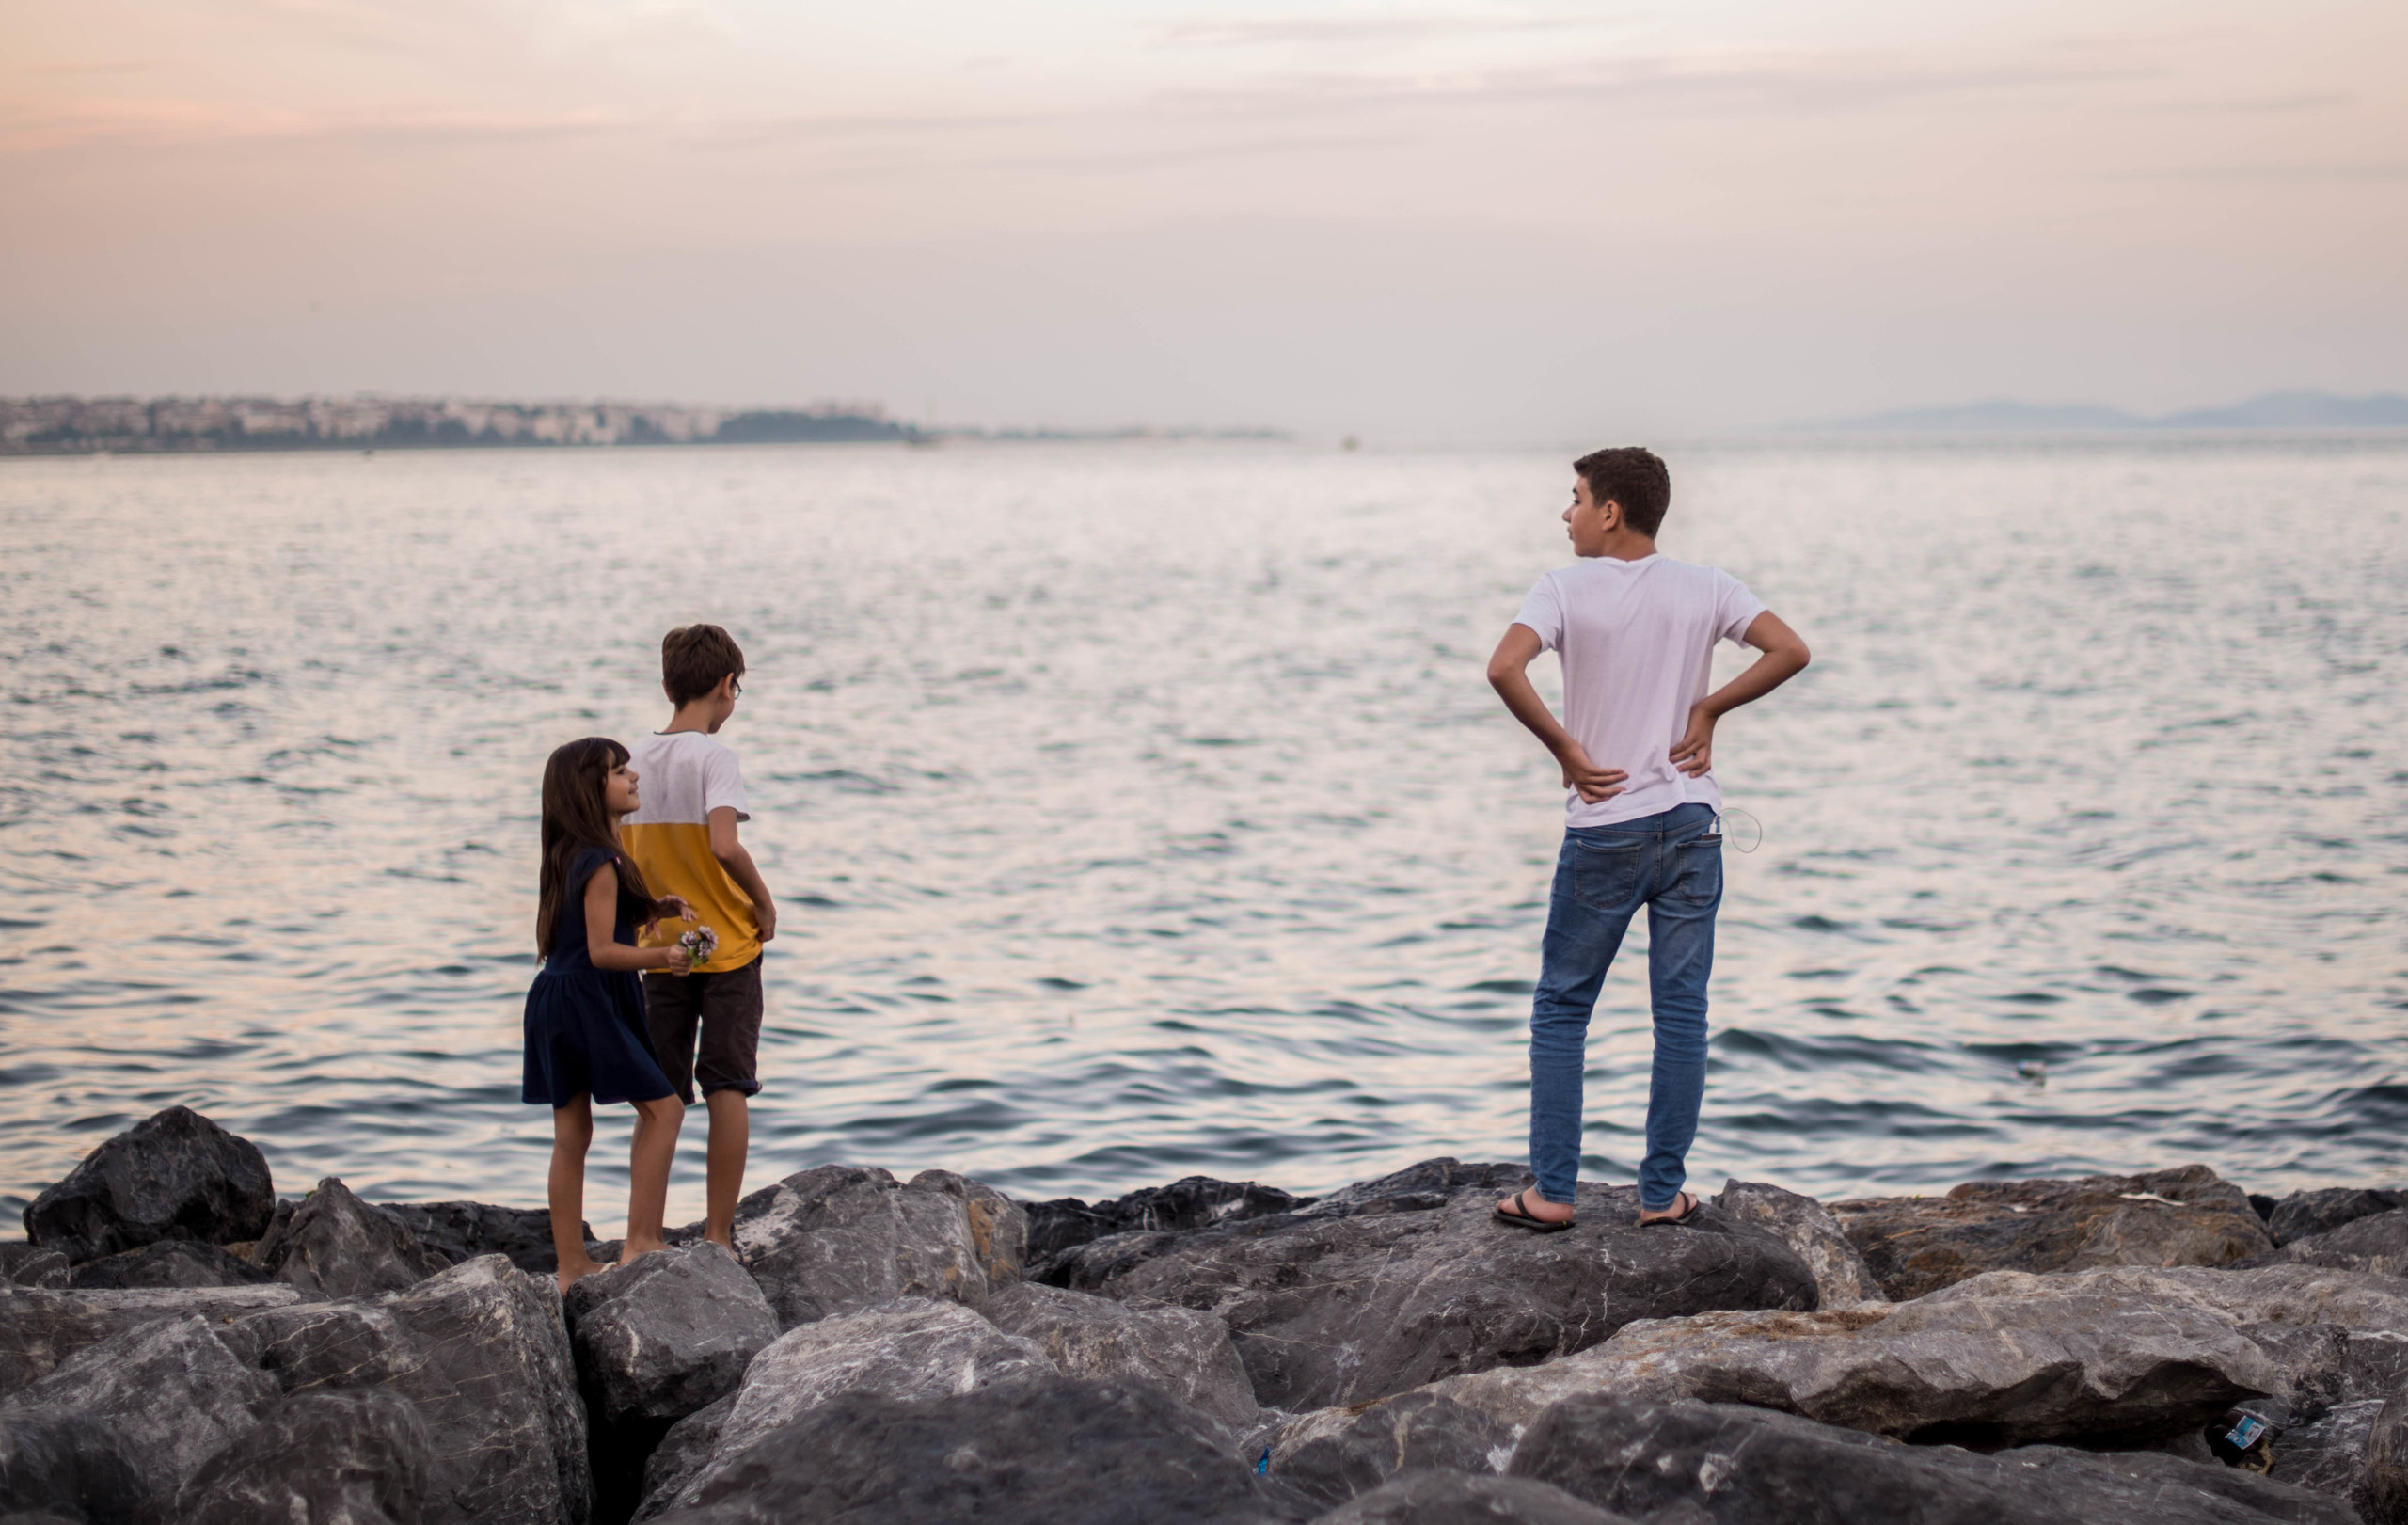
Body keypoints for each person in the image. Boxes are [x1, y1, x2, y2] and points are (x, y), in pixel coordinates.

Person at [1488, 447, 1811, 1232]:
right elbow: (1791, 649)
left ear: (1610, 512)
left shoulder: (1561, 588)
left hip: (1606, 827)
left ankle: (1553, 1193)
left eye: (1575, 498)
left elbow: (1504, 669)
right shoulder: (1707, 585)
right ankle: (1662, 1196)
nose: (1565, 513)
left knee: (1562, 1008)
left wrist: (1566, 750)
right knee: (1682, 1014)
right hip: (1693, 823)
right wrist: (1709, 709)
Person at [622, 625, 777, 1250]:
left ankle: (641, 1236)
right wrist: (763, 902)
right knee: (727, 1084)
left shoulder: (631, 760)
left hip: (662, 947)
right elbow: (724, 845)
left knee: (659, 1092)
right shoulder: (716, 758)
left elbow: (621, 856)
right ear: (725, 685)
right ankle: (717, 1236)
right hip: (728, 945)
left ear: (668, 687)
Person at [523, 737, 696, 1290]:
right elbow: (600, 951)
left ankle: (571, 1267)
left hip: (556, 995)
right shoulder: (601, 860)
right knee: (666, 1110)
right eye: (619, 771)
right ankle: (641, 1239)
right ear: (588, 789)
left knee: (572, 1133)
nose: (633, 777)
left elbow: (583, 931)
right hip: (589, 999)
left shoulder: (570, 852)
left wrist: (649, 908)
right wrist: (664, 957)